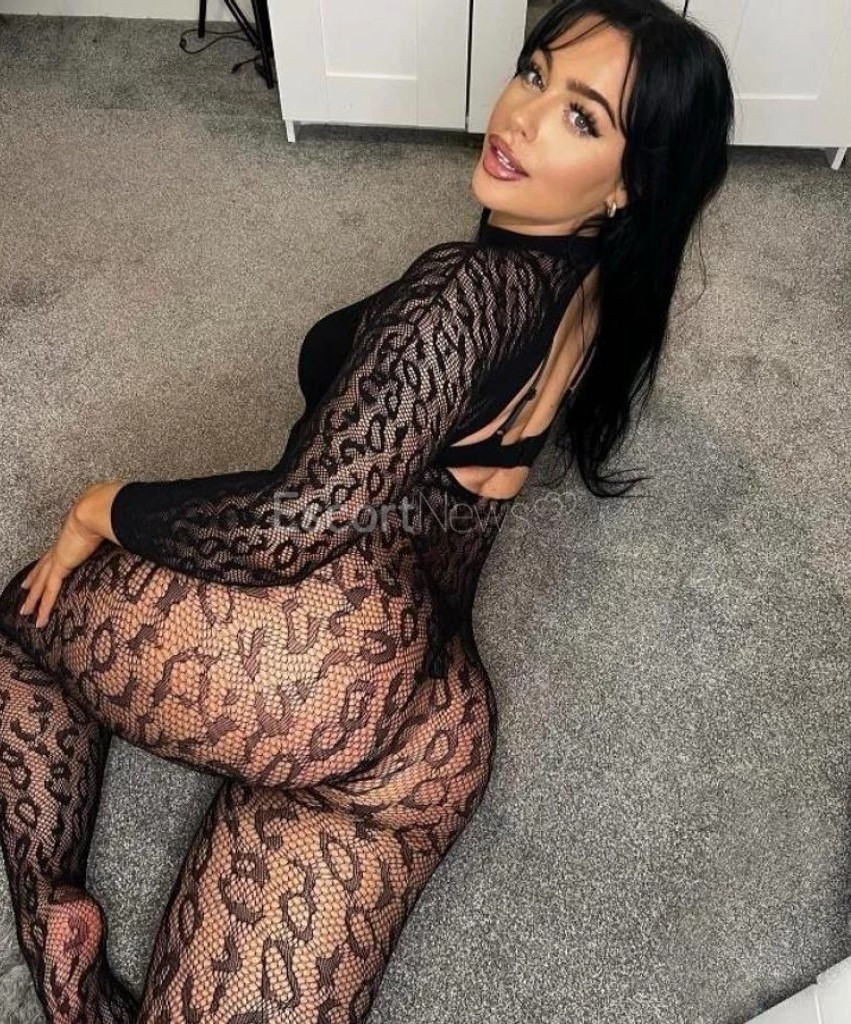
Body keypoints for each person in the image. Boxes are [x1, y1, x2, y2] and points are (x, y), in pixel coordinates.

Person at [0, 1, 734, 1021]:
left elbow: (285, 526)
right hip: (431, 732)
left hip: (321, 657)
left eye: (580, 117)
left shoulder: (459, 295)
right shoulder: (602, 287)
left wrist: (98, 508)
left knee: (28, 618)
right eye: (533, 73)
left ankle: (50, 901)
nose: (520, 117)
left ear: (626, 182)